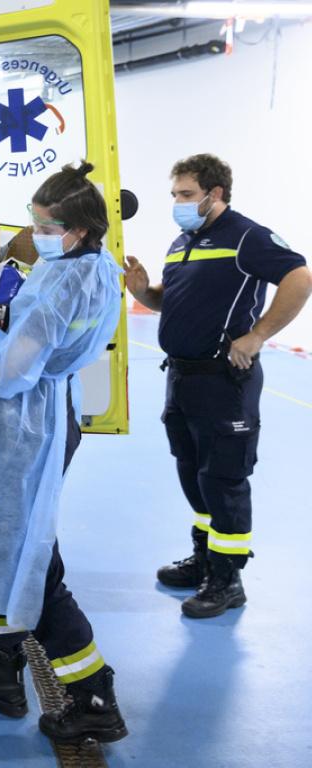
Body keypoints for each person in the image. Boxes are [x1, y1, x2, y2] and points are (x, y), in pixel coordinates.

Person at [0, 162, 127, 743]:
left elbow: (15, 367)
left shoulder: (59, 283)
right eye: (35, 221)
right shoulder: (98, 266)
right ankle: (0, 674)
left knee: (27, 558)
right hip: (48, 412)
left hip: (30, 421)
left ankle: (93, 695)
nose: (37, 234)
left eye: (48, 227)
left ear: (80, 230)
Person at [125, 154, 312, 618]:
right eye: (175, 194)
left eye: (187, 194)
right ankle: (206, 558)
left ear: (216, 193)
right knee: (192, 470)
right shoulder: (182, 242)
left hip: (224, 381)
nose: (178, 202)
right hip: (181, 376)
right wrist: (144, 291)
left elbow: (300, 276)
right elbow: (171, 301)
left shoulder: (247, 236)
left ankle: (228, 580)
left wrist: (258, 335)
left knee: (223, 478)